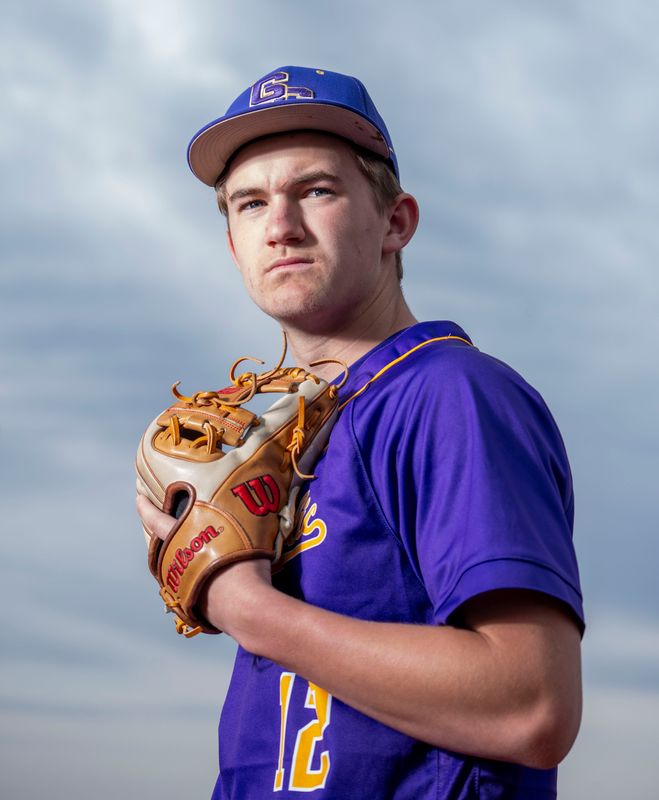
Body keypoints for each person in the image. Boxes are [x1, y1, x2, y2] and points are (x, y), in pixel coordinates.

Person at [137, 66, 584, 799]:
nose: (279, 225)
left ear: (395, 222)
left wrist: (246, 607)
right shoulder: (280, 439)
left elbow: (530, 706)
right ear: (231, 246)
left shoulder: (448, 395)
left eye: (316, 190)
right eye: (250, 203)